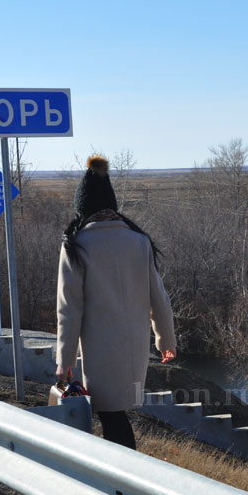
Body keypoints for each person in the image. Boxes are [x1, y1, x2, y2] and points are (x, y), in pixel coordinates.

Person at [55, 154, 176, 450]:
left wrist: (65, 360)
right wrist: (165, 341)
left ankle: (125, 481)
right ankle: (124, 479)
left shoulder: (77, 244)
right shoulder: (139, 241)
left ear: (82, 207)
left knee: (111, 417)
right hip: (135, 347)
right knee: (116, 414)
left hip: (100, 349)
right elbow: (158, 297)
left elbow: (69, 309)